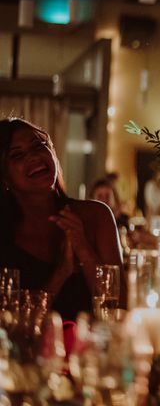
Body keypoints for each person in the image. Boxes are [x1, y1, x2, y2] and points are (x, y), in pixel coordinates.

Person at [0, 118, 123, 320]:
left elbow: (119, 309)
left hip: (91, 349)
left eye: (39, 146)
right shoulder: (5, 235)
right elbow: (11, 328)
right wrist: (62, 272)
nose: (34, 157)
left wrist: (84, 251)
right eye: (17, 154)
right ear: (4, 176)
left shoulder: (97, 215)